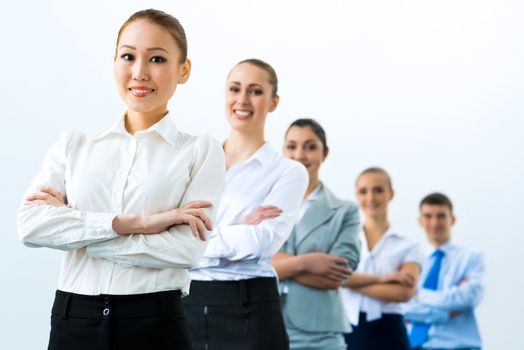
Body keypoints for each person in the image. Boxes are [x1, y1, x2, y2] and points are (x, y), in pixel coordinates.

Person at [17, 9, 225, 350]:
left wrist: (79, 235)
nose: (140, 72)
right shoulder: (74, 146)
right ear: (114, 61)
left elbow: (185, 249)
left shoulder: (201, 151)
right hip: (73, 320)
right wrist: (140, 223)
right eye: (128, 56)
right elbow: (30, 226)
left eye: (157, 59)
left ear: (183, 70)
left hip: (154, 323)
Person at [181, 59, 309, 350]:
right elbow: (163, 234)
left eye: (255, 91)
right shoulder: (193, 161)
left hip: (250, 303)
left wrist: (194, 240)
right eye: (234, 89)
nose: (242, 100)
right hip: (185, 301)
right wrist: (236, 230)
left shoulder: (288, 172)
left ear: (273, 102)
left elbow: (262, 242)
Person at [271, 118, 361, 350]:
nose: (300, 154)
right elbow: (245, 262)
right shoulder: (262, 203)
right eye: (292, 146)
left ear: (325, 153)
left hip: (320, 336)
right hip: (265, 325)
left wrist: (276, 264)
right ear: (283, 151)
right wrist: (309, 262)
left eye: (310, 147)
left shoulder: (344, 211)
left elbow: (336, 276)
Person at [340, 167, 424, 350]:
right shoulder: (343, 239)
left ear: (391, 194)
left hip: (390, 331)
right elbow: (336, 277)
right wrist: (383, 279)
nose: (370, 198)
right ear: (356, 195)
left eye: (378, 190)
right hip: (348, 329)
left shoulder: (409, 246)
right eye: (363, 191)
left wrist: (350, 281)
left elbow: (403, 293)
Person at [405, 193, 485, 350]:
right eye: (428, 216)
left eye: (441, 216)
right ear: (420, 221)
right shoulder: (409, 260)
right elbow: (401, 306)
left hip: (459, 346)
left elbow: (468, 297)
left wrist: (416, 293)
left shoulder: (471, 258)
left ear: (452, 219)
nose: (434, 223)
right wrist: (446, 313)